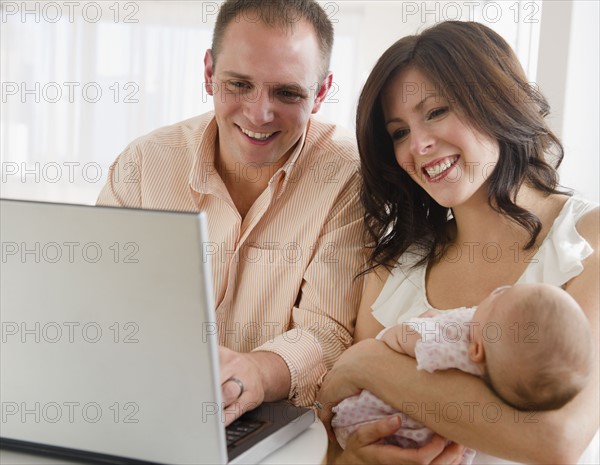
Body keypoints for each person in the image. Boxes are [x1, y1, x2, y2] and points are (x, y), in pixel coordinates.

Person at [315, 20, 599, 465]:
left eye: (436, 111)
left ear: (495, 98)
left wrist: (366, 363)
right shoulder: (393, 267)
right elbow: (337, 445)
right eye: (399, 132)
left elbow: (556, 439)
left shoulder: (588, 239)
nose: (419, 145)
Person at [97, 0, 366, 425]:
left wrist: (256, 372)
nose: (259, 113)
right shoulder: (146, 162)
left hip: (274, 423)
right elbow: (100, 302)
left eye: (287, 92)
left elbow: (328, 332)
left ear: (321, 93)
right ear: (208, 73)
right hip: (143, 406)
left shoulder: (349, 176)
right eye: (239, 85)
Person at [332, 283, 594, 464]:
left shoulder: (460, 340)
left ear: (477, 352)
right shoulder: (509, 374)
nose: (497, 291)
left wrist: (416, 328)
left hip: (370, 425)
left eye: (499, 296)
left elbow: (404, 338)